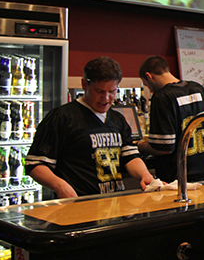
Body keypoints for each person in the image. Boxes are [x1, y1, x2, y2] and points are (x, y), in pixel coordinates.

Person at [25, 57, 154, 198]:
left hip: (114, 205)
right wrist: (60, 186)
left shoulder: (117, 119)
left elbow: (130, 156)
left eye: (112, 91)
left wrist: (144, 174)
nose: (106, 98)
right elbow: (35, 164)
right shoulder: (62, 117)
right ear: (84, 84)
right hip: (79, 205)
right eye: (99, 91)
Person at [137, 56, 204, 182]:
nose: (150, 89)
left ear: (149, 76)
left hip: (176, 179)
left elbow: (164, 147)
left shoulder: (162, 96)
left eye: (147, 84)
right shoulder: (198, 89)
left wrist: (140, 146)